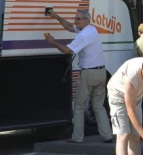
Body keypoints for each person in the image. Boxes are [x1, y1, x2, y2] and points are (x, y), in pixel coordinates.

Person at [45, 9, 113, 144]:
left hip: (88, 73)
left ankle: (77, 137)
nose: (75, 21)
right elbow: (70, 27)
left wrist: (52, 42)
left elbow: (67, 50)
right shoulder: (91, 29)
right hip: (101, 72)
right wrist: (56, 17)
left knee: (79, 106)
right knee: (99, 106)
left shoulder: (83, 36)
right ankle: (107, 136)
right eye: (75, 18)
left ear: (86, 20)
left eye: (78, 19)